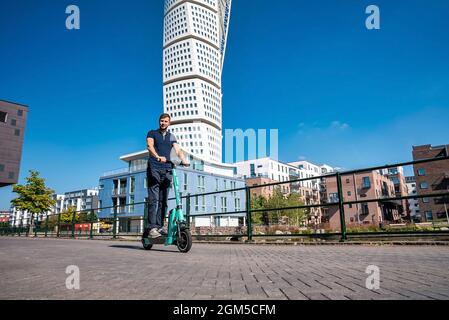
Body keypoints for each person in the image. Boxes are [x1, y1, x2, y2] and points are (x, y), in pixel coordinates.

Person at [146, 113, 188, 238]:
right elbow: (150, 146)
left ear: (169, 123)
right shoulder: (152, 133)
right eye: (161, 121)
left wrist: (183, 159)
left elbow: (178, 149)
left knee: (163, 201)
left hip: (168, 169)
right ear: (159, 121)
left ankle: (159, 227)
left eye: (165, 121)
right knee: (154, 200)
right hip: (154, 167)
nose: (163, 123)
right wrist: (157, 157)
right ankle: (152, 228)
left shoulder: (171, 137)